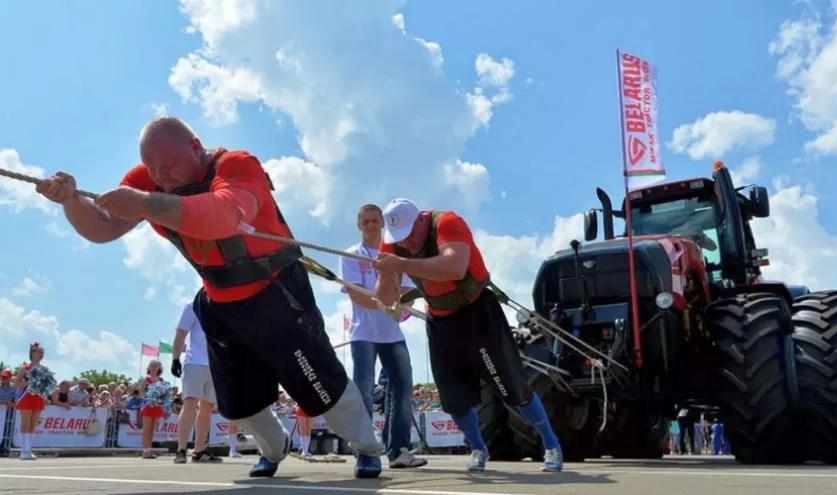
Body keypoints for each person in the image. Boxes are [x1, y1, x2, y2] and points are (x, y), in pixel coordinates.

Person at [35, 115, 383, 479]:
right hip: (221, 302)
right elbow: (102, 226)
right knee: (236, 402)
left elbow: (222, 216)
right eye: (153, 168)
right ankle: (273, 448)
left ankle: (367, 448)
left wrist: (143, 202)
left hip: (277, 294)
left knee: (322, 386)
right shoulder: (146, 182)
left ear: (196, 147)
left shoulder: (237, 165)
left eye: (168, 166)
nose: (161, 176)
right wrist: (71, 201)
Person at [374, 198, 564, 472]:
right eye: (398, 239)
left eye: (409, 235)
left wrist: (400, 264)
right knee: (453, 399)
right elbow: (386, 298)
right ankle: (478, 448)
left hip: (478, 315)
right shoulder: (394, 244)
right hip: (440, 322)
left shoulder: (448, 223)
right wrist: (383, 276)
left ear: (421, 220)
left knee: (512, 387)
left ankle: (551, 445)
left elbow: (454, 267)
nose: (405, 243)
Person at [340, 203, 426, 469]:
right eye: (365, 222)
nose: (371, 226)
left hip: (393, 333)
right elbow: (357, 296)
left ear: (382, 223)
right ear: (359, 226)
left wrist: (400, 306)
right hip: (363, 334)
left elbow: (409, 295)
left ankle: (398, 450)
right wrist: (386, 299)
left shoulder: (397, 255)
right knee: (364, 391)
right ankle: (365, 452)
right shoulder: (352, 254)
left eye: (375, 221)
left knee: (402, 389)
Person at [170, 302, 222, 464]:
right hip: (195, 362)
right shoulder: (192, 306)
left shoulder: (224, 307)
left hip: (215, 364)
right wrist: (175, 359)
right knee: (190, 403)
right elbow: (181, 333)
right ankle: (181, 449)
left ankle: (199, 451)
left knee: (207, 407)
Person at [14, 343, 50, 460]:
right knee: (25, 424)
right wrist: (28, 384)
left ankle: (28, 450)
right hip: (26, 397)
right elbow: (17, 383)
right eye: (38, 352)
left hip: (37, 398)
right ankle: (23, 451)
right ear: (32, 353)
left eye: (42, 353)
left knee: (33, 425)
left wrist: (45, 396)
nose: (40, 355)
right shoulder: (25, 368)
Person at [139, 360, 169, 459]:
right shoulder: (146, 379)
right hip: (148, 406)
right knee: (146, 429)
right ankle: (145, 451)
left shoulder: (161, 380)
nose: (154, 368)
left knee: (152, 430)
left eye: (156, 366)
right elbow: (142, 393)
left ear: (159, 368)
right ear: (149, 367)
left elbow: (165, 395)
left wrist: (162, 403)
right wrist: (150, 399)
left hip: (158, 407)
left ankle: (149, 450)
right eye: (152, 366)